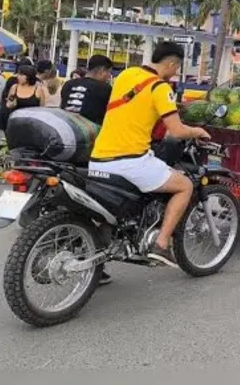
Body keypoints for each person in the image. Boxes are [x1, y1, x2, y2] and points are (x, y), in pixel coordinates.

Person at [89, 42, 211, 267]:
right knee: (185, 186)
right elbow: (176, 130)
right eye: (177, 67)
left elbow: (134, 109)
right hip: (129, 161)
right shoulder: (161, 88)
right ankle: (162, 245)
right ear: (172, 63)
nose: (176, 72)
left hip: (97, 159)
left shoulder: (127, 74)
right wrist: (198, 131)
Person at [61, 55, 114, 126]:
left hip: (65, 127)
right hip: (90, 132)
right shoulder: (105, 88)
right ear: (102, 71)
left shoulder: (68, 84)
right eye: (109, 72)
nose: (109, 76)